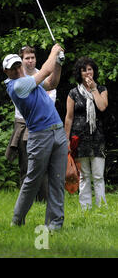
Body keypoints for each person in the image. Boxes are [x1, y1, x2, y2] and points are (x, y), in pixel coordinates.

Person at [3, 43, 67, 231]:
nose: (16, 70)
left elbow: (52, 82)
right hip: (40, 135)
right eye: (12, 68)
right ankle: (17, 219)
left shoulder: (30, 79)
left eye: (17, 66)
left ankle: (55, 224)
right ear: (6, 72)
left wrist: (59, 64)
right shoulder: (16, 86)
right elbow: (45, 70)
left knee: (57, 180)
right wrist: (54, 52)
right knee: (33, 179)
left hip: (58, 131)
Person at [5, 46, 56, 202]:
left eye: (32, 57)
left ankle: (43, 198)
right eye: (26, 58)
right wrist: (54, 51)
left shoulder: (39, 76)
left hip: (43, 124)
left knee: (43, 164)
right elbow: (45, 74)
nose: (30, 60)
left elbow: (50, 97)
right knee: (26, 164)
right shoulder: (18, 82)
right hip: (23, 124)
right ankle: (27, 198)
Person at [64, 57, 108, 209]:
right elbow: (69, 118)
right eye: (84, 70)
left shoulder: (102, 89)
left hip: (97, 137)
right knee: (84, 176)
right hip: (79, 138)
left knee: (98, 175)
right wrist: (66, 139)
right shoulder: (73, 93)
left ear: (94, 71)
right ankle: (85, 208)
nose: (87, 72)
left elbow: (102, 107)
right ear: (80, 73)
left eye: (90, 69)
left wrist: (94, 88)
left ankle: (101, 206)